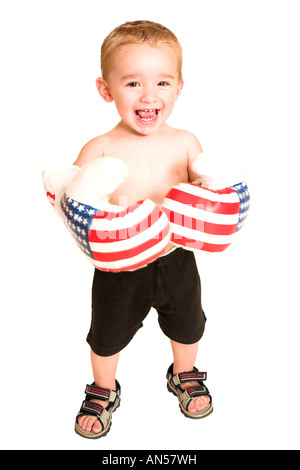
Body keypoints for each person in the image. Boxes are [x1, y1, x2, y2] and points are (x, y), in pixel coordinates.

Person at [73, 20, 213, 439]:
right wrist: (85, 200)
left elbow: (205, 191)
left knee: (189, 324)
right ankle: (103, 387)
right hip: (120, 263)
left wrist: (212, 192)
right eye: (133, 83)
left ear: (179, 87)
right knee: (106, 333)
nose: (149, 96)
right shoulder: (99, 147)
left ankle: (184, 373)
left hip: (175, 255)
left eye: (163, 82)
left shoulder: (186, 142)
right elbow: (76, 203)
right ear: (106, 90)